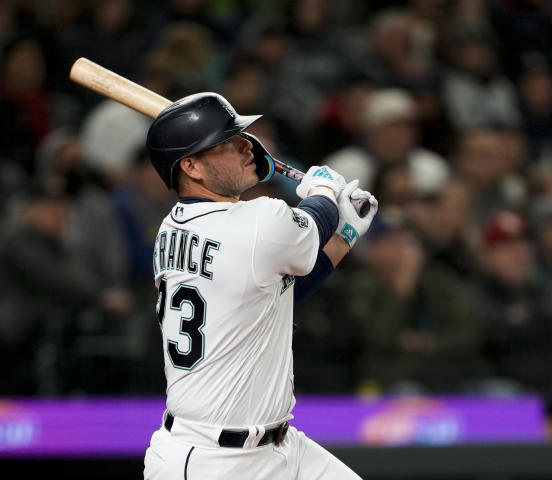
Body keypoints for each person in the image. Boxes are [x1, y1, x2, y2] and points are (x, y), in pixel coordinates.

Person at [142, 92, 377, 479]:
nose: (245, 146)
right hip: (211, 462)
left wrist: (345, 234)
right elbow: (312, 217)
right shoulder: (255, 223)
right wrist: (324, 189)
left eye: (240, 136)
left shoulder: (174, 227)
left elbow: (280, 296)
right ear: (191, 166)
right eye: (225, 143)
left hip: (283, 447)